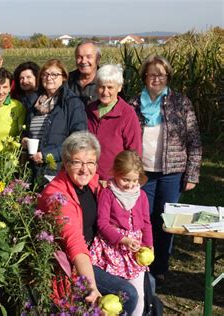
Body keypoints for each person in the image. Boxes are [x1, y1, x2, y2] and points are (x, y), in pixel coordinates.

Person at [37, 131, 138, 314]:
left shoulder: (91, 182)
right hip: (74, 263)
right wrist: (91, 286)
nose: (85, 169)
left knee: (147, 280)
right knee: (128, 294)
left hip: (98, 252)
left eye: (90, 162)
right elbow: (74, 243)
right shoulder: (57, 197)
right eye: (77, 162)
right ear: (66, 163)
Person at [129, 55, 202, 282]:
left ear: (168, 77)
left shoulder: (180, 103)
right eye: (152, 74)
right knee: (142, 219)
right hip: (143, 173)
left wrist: (192, 174)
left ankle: (160, 266)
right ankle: (142, 263)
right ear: (144, 77)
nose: (156, 78)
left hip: (172, 172)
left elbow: (194, 140)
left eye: (161, 74)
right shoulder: (133, 105)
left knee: (166, 219)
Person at [90, 150, 153, 316]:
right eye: (125, 179)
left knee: (139, 295)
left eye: (134, 180)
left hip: (134, 253)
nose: (130, 185)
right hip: (112, 250)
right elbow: (102, 224)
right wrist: (123, 239)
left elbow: (146, 223)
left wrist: (149, 245)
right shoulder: (108, 194)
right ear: (115, 173)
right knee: (115, 296)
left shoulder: (142, 196)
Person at [22, 59, 87, 182]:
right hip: (33, 169)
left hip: (57, 169)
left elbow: (79, 140)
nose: (49, 78)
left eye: (54, 74)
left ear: (63, 77)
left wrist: (47, 155)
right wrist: (25, 139)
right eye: (45, 74)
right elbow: (27, 131)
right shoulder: (33, 103)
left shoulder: (71, 103)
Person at [87, 64, 142, 181]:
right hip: (88, 177)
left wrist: (127, 179)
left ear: (119, 88)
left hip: (114, 180)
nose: (105, 92)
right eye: (101, 87)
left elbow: (134, 151)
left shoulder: (127, 114)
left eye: (110, 87)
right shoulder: (89, 110)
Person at [68, 40, 100, 105]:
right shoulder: (67, 80)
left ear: (98, 59)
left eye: (89, 57)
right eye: (79, 57)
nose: (83, 61)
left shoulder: (107, 80)